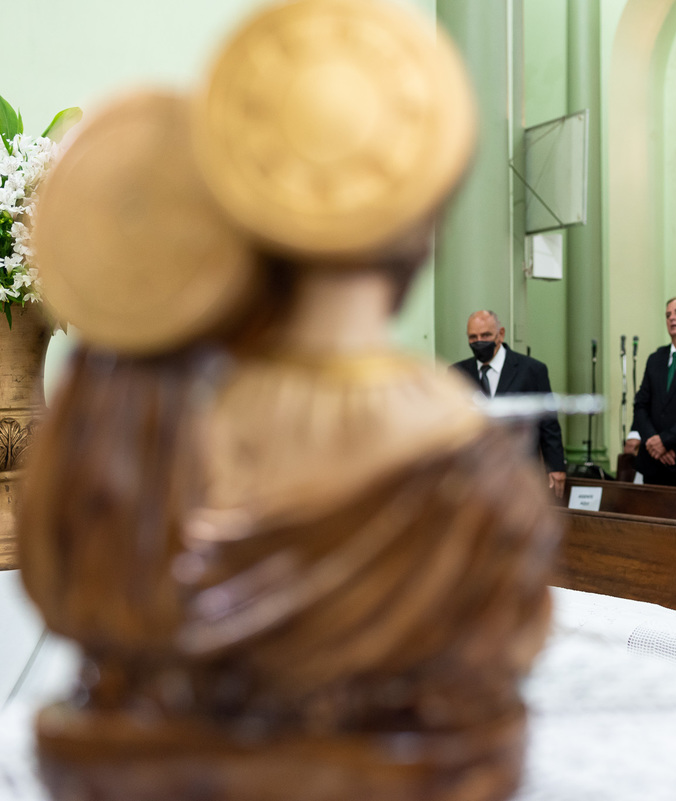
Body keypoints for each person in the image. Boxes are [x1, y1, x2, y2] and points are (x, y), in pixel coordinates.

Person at [17, 3, 559, 798]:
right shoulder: (470, 472)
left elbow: (69, 580)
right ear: (419, 229)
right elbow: (506, 637)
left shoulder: (138, 422)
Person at [451, 310, 567, 498]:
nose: (479, 341)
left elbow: (548, 423)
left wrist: (555, 467)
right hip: (474, 474)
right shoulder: (458, 373)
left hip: (520, 471)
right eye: (473, 337)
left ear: (501, 334)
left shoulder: (531, 370)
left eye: (486, 335)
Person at [623, 297, 676, 486]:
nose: (672, 318)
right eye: (668, 315)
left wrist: (665, 441)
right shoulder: (656, 358)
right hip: (652, 461)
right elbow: (641, 404)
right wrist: (653, 442)